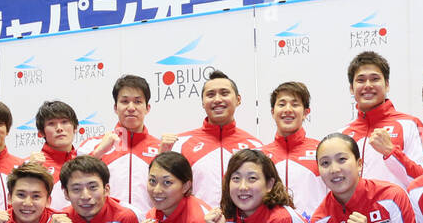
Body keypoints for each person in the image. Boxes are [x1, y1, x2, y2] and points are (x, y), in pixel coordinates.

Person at [167, 70, 262, 208]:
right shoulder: (180, 144)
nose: (217, 99)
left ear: (238, 100)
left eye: (224, 93)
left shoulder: (256, 147)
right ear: (203, 102)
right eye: (210, 95)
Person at [340, 51, 423, 189]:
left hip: (399, 210)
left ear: (387, 85)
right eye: (361, 80)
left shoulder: (410, 124)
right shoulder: (343, 136)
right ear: (352, 88)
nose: (368, 85)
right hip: (355, 211)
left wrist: (391, 151)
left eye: (375, 79)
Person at [79, 75, 162, 214]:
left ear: (147, 108)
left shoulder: (161, 149)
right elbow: (74, 182)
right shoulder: (91, 146)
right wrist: (98, 153)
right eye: (124, 101)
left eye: (137, 101)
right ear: (115, 107)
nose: (131, 108)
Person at [261, 81, 325, 211]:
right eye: (282, 104)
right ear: (273, 112)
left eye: (295, 104)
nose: (288, 110)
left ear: (306, 112)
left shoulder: (322, 151)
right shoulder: (260, 156)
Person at [29, 99, 81, 183]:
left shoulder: (85, 162)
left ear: (75, 128)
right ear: (42, 132)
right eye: (51, 123)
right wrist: (29, 172)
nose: (59, 128)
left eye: (64, 122)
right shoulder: (33, 166)